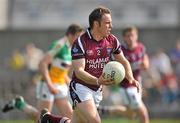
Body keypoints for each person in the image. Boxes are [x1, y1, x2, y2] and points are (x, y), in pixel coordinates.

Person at [39, 6, 139, 123]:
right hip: (80, 88)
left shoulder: (112, 40)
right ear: (96, 24)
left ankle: (48, 119)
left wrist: (130, 77)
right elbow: (79, 71)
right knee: (96, 121)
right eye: (107, 23)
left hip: (96, 89)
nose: (111, 26)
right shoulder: (81, 42)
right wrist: (98, 80)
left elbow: (123, 61)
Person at [2, 24, 84, 122]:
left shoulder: (71, 49)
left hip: (60, 86)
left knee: (70, 116)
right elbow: (42, 64)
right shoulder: (59, 45)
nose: (80, 41)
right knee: (41, 118)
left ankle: (19, 103)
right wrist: (50, 85)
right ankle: (20, 104)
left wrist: (72, 84)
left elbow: (63, 73)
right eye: (78, 37)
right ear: (71, 35)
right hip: (47, 85)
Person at [98, 26, 150, 123]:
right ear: (124, 38)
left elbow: (145, 59)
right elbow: (110, 66)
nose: (130, 38)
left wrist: (146, 63)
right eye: (127, 36)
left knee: (131, 115)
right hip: (126, 87)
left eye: (132, 35)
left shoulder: (141, 48)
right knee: (143, 113)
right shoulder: (120, 50)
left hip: (137, 83)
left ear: (136, 36)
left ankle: (105, 110)